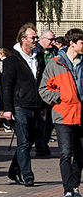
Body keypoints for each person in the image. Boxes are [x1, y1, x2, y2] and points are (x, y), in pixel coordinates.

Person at [38, 28, 83, 197]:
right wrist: (59, 97)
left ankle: (75, 187)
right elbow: (43, 89)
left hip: (80, 114)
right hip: (63, 115)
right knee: (65, 152)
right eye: (81, 42)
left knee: (80, 154)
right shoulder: (55, 64)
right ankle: (68, 189)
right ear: (72, 43)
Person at [0, 23, 45, 185]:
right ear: (23, 39)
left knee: (29, 141)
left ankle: (14, 171)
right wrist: (8, 109)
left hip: (35, 105)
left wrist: (43, 105)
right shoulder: (12, 60)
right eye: (33, 37)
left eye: (36, 37)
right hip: (20, 105)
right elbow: (7, 85)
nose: (36, 40)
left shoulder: (38, 57)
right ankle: (28, 175)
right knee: (23, 142)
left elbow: (42, 82)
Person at [36, 28, 59, 158]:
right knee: (41, 120)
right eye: (51, 40)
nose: (53, 42)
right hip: (40, 88)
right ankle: (40, 146)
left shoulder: (55, 52)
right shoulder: (37, 52)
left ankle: (44, 143)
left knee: (50, 120)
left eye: (54, 39)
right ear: (42, 39)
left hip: (53, 89)